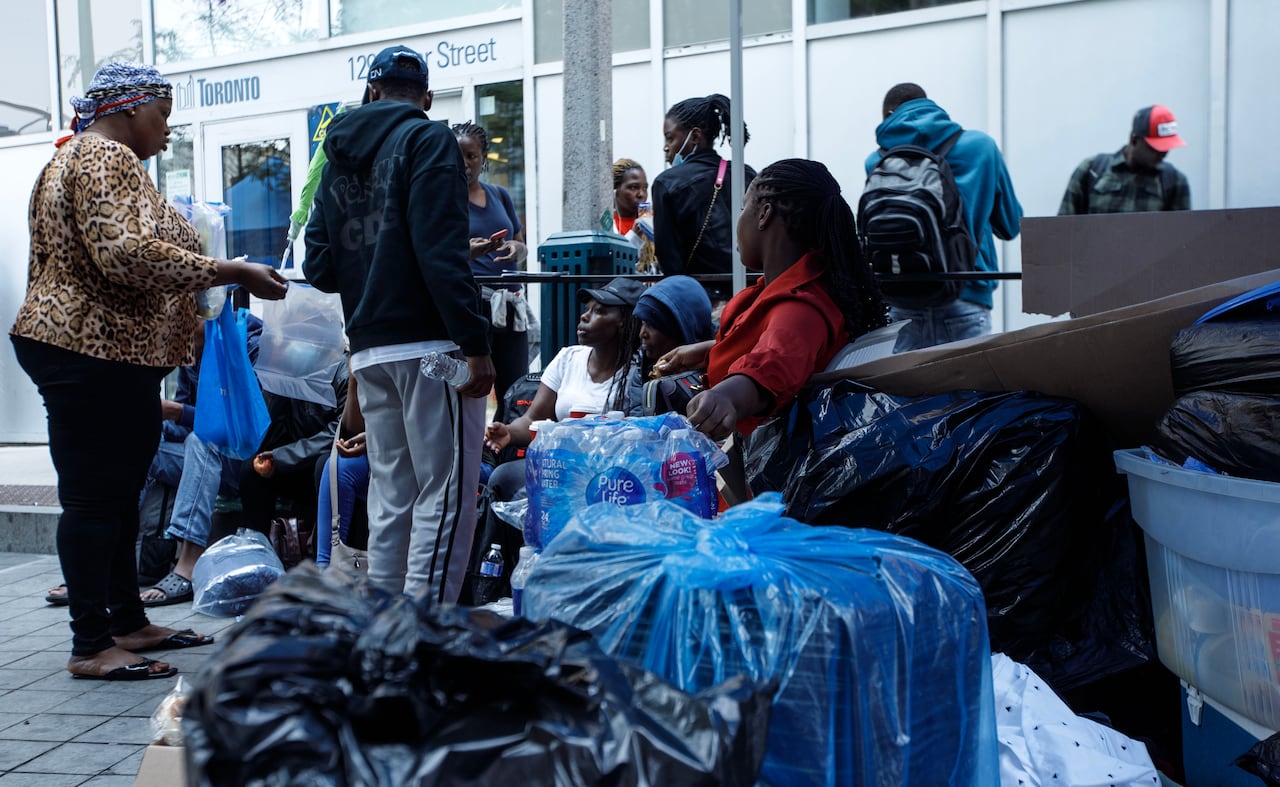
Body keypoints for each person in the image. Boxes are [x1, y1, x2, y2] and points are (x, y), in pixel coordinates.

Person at [10, 61, 287, 680]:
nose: (167, 128)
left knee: (117, 497)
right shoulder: (104, 157)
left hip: (105, 352)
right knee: (93, 499)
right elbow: (128, 253)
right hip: (88, 349)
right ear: (130, 109)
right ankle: (91, 645)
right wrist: (231, 271)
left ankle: (125, 622)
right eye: (162, 114)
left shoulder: (82, 159)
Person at [303, 44, 495, 603]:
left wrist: (373, 268)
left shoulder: (337, 150)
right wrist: (475, 343)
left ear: (371, 91)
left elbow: (318, 265)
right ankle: (420, 635)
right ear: (427, 98)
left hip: (369, 347)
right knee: (445, 494)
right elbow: (442, 253)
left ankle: (385, 626)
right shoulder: (428, 137)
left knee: (392, 493)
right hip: (434, 346)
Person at [654, 159, 889, 440]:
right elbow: (768, 340)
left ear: (764, 214)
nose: (738, 220)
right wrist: (706, 352)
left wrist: (726, 397)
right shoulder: (798, 292)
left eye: (743, 208)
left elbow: (775, 362)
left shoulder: (800, 308)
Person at [865, 83, 1022, 352]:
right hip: (965, 294)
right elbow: (1009, 226)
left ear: (890, 114)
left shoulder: (877, 160)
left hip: (903, 297)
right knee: (969, 392)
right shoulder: (980, 147)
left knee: (906, 392)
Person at [136, 312, 264, 607]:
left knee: (203, 440)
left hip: (244, 459)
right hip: (203, 461)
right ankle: (118, 558)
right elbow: (181, 423)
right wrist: (155, 420)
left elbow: (245, 421)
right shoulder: (189, 354)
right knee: (139, 443)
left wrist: (178, 412)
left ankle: (188, 562)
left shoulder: (247, 340)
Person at [482, 277, 646, 499]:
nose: (584, 316)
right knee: (503, 477)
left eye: (599, 311)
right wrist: (508, 433)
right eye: (587, 309)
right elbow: (533, 420)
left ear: (624, 322)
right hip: (561, 467)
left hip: (613, 474)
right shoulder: (568, 358)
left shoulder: (638, 372)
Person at [649, 94, 755, 303]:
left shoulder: (666, 183)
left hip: (701, 300)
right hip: (751, 295)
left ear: (695, 136)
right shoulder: (747, 175)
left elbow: (670, 263)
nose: (665, 147)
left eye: (670, 138)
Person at [454, 120, 530, 403]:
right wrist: (469, 250)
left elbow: (522, 244)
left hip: (510, 303)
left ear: (483, 158)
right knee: (473, 389)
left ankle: (505, 445)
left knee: (515, 391)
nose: (465, 164)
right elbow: (437, 254)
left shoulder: (500, 195)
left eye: (471, 156)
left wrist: (515, 248)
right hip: (474, 304)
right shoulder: (445, 199)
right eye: (457, 156)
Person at [239, 359, 347, 536]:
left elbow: (338, 433)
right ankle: (257, 546)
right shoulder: (290, 367)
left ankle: (324, 556)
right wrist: (275, 382)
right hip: (293, 463)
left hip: (324, 464)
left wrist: (283, 456)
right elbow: (266, 435)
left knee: (325, 466)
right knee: (251, 470)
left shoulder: (342, 373)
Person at [1058, 104, 1191, 215]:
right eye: (1155, 149)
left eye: (1166, 148)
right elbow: (1063, 230)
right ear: (1134, 140)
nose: (1163, 155)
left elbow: (1182, 239)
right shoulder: (1091, 170)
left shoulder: (1175, 181)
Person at [315, 359, 369, 567]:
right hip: (384, 445)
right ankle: (327, 567)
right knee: (335, 467)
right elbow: (351, 429)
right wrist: (354, 380)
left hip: (438, 452)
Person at [634, 274, 713, 378]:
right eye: (642, 323)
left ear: (680, 330)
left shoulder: (714, 377)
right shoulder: (640, 370)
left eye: (652, 325)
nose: (642, 334)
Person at [601, 158, 658, 275]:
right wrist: (634, 236)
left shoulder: (653, 221)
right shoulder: (606, 225)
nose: (641, 194)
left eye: (645, 188)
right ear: (614, 190)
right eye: (633, 187)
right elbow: (612, 266)